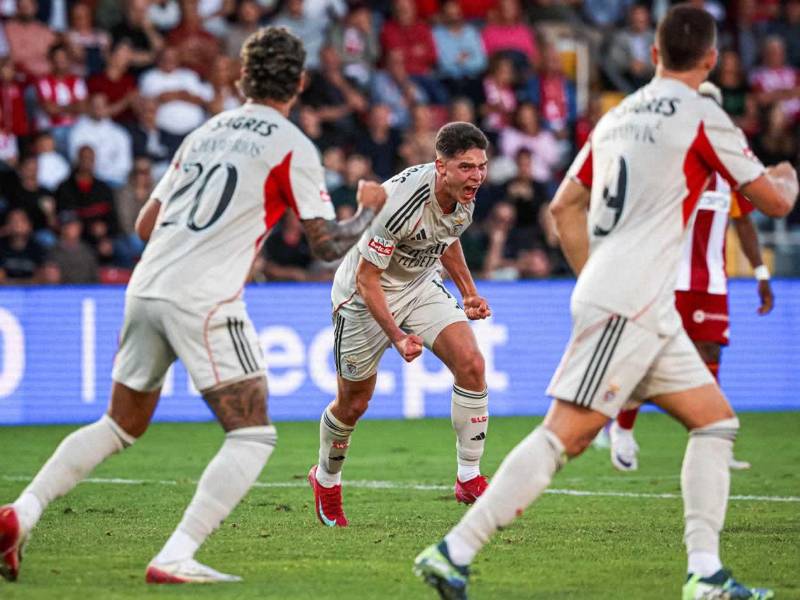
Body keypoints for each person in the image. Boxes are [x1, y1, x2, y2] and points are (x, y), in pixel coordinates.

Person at [414, 6, 798, 599]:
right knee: (562, 435)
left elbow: (563, 207)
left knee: (715, 422)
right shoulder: (704, 114)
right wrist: (788, 179)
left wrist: (597, 275)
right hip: (632, 299)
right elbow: (771, 203)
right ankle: (451, 551)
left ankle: (706, 573)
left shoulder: (617, 117)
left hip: (635, 297)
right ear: (712, 60)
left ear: (652, 56)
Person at [0, 26, 384, 585]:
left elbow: (144, 223)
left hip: (145, 286)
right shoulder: (292, 145)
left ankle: (21, 513)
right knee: (253, 435)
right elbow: (326, 246)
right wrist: (369, 209)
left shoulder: (205, 131)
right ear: (300, 83)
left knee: (119, 425)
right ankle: (176, 554)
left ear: (242, 78)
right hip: (203, 299)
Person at [308, 121, 493, 528]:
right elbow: (366, 279)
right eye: (466, 167)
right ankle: (326, 479)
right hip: (363, 299)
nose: (476, 175)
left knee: (472, 364)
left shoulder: (465, 194)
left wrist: (468, 291)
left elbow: (447, 237)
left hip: (420, 283)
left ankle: (468, 477)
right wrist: (397, 337)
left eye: (481, 166)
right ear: (439, 166)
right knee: (353, 404)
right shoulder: (399, 204)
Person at [608, 82, 776, 473]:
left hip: (711, 281)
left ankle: (713, 441)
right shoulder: (669, 161)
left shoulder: (730, 173)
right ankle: (623, 428)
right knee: (648, 359)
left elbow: (744, 224)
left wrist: (761, 272)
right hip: (668, 278)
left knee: (711, 356)